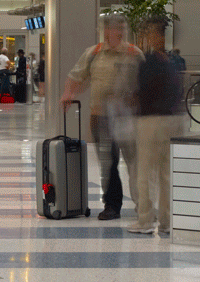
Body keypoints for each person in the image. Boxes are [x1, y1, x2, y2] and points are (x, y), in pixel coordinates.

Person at [62, 14, 143, 221]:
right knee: (109, 162)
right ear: (107, 31)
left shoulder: (135, 54)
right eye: (116, 27)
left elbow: (146, 84)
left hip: (127, 118)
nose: (120, 31)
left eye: (122, 27)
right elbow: (76, 75)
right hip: (100, 117)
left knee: (134, 161)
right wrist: (68, 94)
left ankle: (143, 204)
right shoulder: (94, 53)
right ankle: (112, 205)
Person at [129, 20, 186, 237]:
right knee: (166, 175)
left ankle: (145, 221)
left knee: (144, 174)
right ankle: (166, 222)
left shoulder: (148, 62)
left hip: (150, 122)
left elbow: (139, 92)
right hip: (172, 121)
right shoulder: (174, 62)